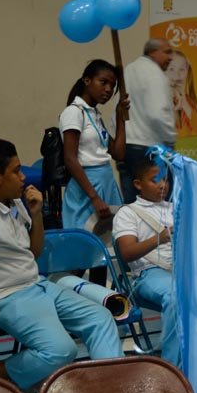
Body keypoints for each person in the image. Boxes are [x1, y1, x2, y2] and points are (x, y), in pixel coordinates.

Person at [0, 139, 123, 389]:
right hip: (3, 297)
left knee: (100, 319)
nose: (23, 177)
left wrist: (37, 214)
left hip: (36, 285)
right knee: (61, 350)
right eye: (16, 171)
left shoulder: (16, 203)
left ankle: (112, 390)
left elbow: (34, 251)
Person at [60, 59, 129, 285]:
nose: (108, 89)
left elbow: (118, 153)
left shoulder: (95, 114)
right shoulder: (73, 112)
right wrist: (94, 197)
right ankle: (63, 292)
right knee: (82, 253)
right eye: (103, 82)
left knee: (102, 253)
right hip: (87, 189)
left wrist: (120, 117)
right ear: (87, 80)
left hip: (105, 182)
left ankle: (99, 299)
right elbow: (70, 159)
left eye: (113, 85)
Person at [113, 157, 179, 367]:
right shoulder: (128, 213)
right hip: (148, 273)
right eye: (155, 180)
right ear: (138, 184)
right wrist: (159, 238)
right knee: (177, 296)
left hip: (182, 270)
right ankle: (172, 368)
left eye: (165, 179)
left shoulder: (176, 208)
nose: (163, 185)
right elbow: (127, 253)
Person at [120, 38, 176, 204]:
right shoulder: (154, 73)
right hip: (151, 150)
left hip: (126, 148)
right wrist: (171, 140)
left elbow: (118, 111)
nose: (171, 57)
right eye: (167, 52)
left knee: (132, 206)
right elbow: (157, 114)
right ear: (152, 52)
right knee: (160, 206)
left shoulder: (128, 70)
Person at [167, 50, 197, 132]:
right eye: (171, 69)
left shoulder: (188, 102)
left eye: (181, 69)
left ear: (187, 72)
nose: (176, 75)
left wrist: (184, 103)